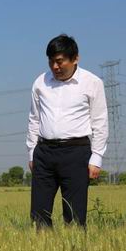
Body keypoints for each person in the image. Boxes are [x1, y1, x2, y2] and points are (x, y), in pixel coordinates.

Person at [27, 34, 108, 228]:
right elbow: (34, 119)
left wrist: (96, 157)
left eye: (59, 61)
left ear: (75, 59)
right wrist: (31, 152)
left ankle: (74, 246)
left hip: (76, 152)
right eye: (51, 61)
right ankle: (41, 245)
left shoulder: (92, 83)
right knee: (39, 214)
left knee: (74, 215)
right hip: (44, 152)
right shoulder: (40, 82)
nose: (55, 66)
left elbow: (100, 121)